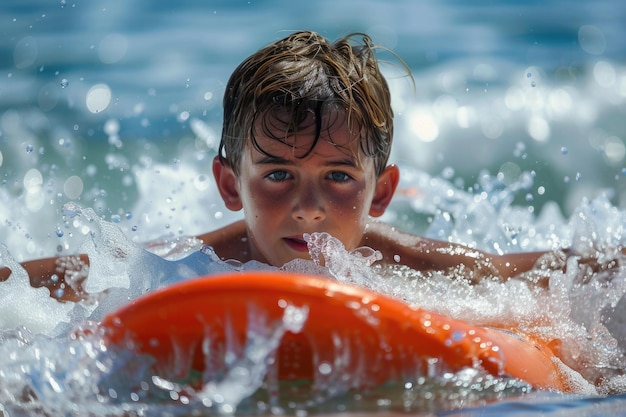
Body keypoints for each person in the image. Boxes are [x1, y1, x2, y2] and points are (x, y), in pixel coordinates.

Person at [0, 31, 580, 302]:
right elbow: (74, 274)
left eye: (339, 177)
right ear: (231, 185)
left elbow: (527, 275)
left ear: (380, 193)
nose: (309, 209)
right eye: (277, 175)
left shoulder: (411, 267)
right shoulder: (199, 263)